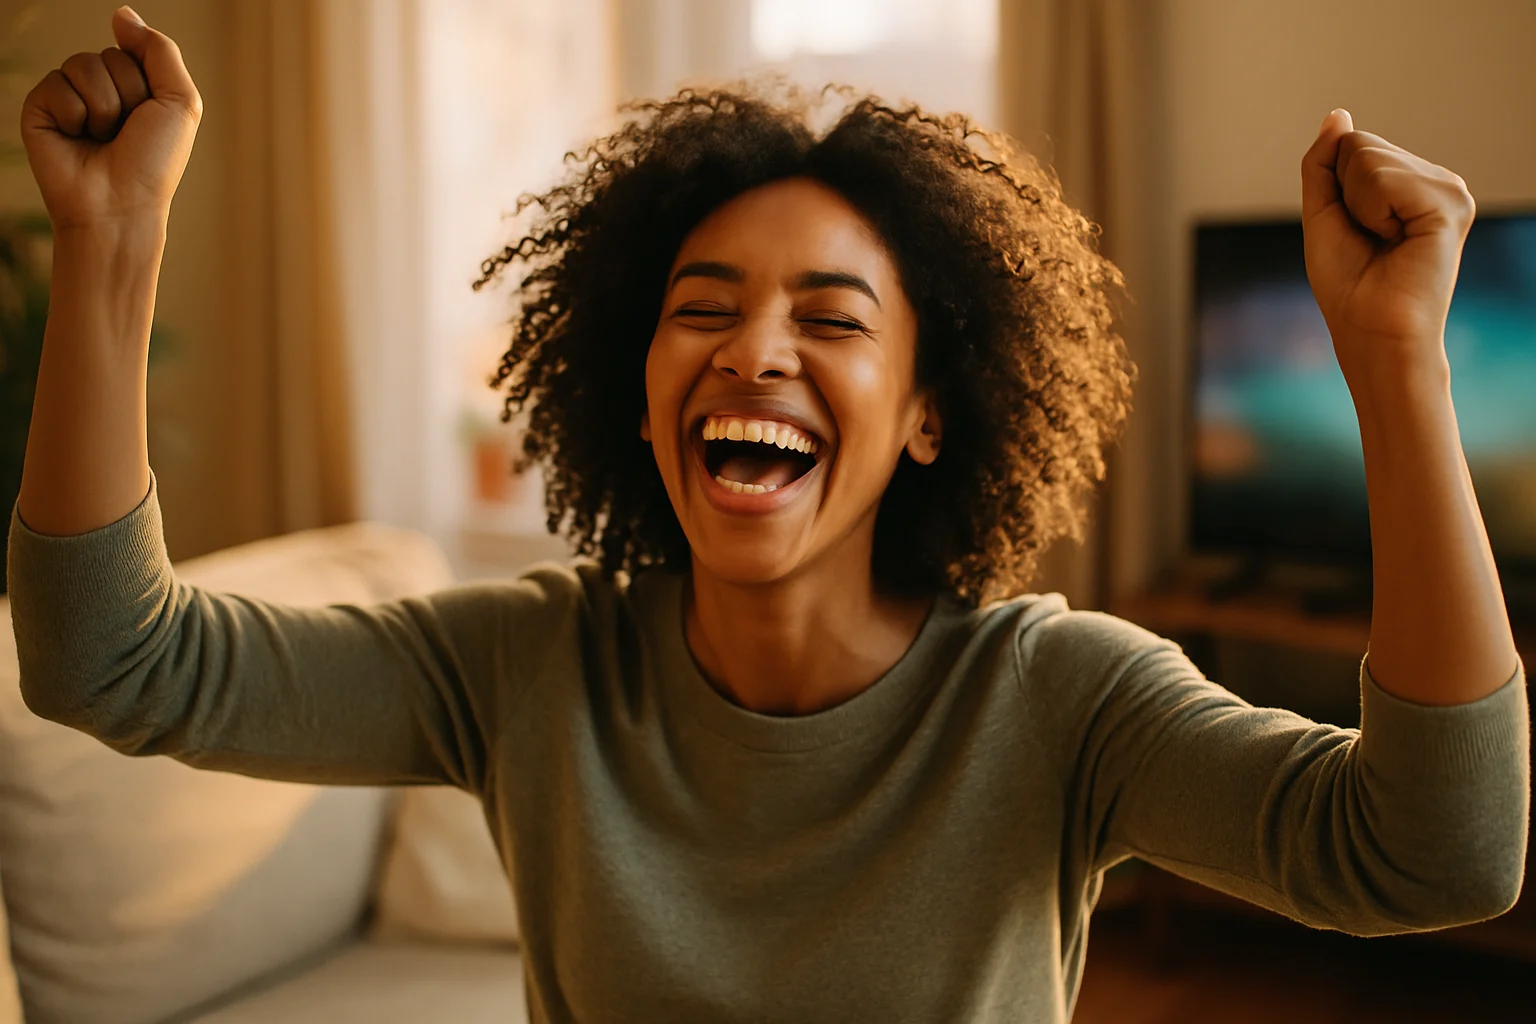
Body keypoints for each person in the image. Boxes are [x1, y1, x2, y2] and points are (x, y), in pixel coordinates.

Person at [9, 7, 1528, 1023]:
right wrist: (112, 240)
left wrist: (1395, 360)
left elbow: (1434, 856)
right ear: (638, 382)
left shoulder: (1057, 699)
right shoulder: (529, 669)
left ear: (934, 413)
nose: (757, 350)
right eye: (705, 308)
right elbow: (109, 662)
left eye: (834, 316)